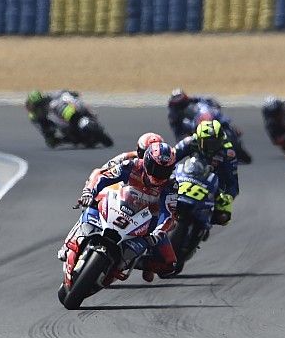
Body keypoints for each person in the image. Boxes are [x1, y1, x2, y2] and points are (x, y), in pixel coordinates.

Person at [60, 142, 179, 284]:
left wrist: (158, 233)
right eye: (156, 168)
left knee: (169, 265)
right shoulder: (132, 165)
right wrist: (89, 192)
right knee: (91, 206)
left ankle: (129, 262)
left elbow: (168, 214)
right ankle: (72, 242)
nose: (159, 174)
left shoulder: (171, 186)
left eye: (164, 171)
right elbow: (103, 177)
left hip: (147, 220)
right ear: (147, 161)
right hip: (120, 203)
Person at [174, 119, 239, 227]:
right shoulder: (190, 142)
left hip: (214, 183)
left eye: (215, 143)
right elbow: (171, 157)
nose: (211, 147)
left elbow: (233, 183)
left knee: (223, 216)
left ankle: (203, 227)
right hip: (191, 175)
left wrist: (228, 197)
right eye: (208, 143)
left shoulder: (228, 152)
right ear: (199, 139)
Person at [84, 132, 164, 186]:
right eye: (146, 153)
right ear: (139, 151)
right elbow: (101, 171)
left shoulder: (167, 165)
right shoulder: (127, 158)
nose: (150, 159)